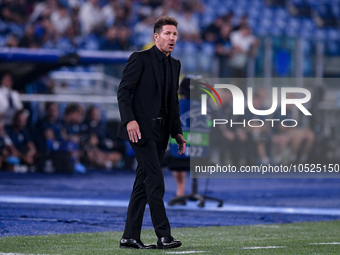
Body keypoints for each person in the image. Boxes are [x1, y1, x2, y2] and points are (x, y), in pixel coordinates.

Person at [117, 16, 186, 249]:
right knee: (155, 180)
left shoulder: (175, 64)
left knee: (142, 183)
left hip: (162, 131)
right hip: (140, 130)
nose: (172, 38)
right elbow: (124, 93)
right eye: (167, 34)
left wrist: (177, 132)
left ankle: (130, 236)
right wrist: (129, 121)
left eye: (175, 34)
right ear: (156, 36)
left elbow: (172, 103)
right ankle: (163, 235)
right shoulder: (139, 59)